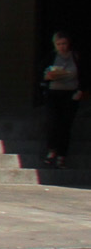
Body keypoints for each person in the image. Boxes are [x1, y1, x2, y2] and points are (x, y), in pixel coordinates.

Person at [41, 32, 80, 169]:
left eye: (64, 44)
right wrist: (48, 76)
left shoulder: (75, 57)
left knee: (66, 125)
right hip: (54, 93)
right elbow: (42, 73)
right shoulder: (52, 57)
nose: (62, 47)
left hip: (70, 94)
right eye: (59, 44)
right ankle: (52, 150)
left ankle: (62, 155)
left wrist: (80, 90)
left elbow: (83, 73)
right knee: (52, 122)